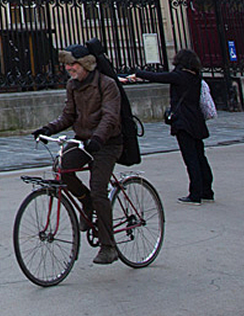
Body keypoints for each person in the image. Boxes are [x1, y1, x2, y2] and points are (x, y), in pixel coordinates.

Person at [32, 44, 123, 265]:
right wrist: (49, 129)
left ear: (86, 64)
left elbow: (110, 118)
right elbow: (69, 115)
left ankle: (108, 246)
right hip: (84, 140)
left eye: (73, 64)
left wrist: (98, 139)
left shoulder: (107, 85)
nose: (69, 68)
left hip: (107, 142)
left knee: (99, 189)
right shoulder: (73, 85)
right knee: (62, 169)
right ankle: (87, 203)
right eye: (67, 65)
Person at [124, 48, 213, 204]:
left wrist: (138, 73)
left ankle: (195, 194)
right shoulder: (196, 77)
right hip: (197, 120)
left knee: (190, 158)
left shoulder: (180, 76)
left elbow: (158, 76)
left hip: (184, 122)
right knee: (200, 156)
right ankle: (207, 191)